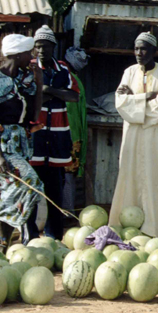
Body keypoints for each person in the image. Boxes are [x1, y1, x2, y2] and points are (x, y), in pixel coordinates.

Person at [0, 34, 45, 249]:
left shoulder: (24, 78)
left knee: (12, 188)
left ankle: (1, 242)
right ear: (18, 55)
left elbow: (33, 114)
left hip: (20, 141)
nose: (31, 58)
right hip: (1, 144)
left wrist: (39, 84)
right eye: (28, 54)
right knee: (28, 181)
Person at [108, 32, 158, 237]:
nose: (139, 53)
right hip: (133, 133)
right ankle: (127, 227)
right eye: (136, 48)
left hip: (157, 134)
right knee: (130, 175)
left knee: (155, 175)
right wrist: (147, 96)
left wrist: (135, 101)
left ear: (154, 51)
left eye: (144, 48)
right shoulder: (129, 72)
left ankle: (155, 229)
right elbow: (120, 103)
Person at [28, 25, 80, 241]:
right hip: (36, 137)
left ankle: (54, 237)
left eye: (46, 46)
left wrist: (47, 91)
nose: (41, 51)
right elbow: (30, 97)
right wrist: (56, 95)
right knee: (30, 190)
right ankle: (29, 237)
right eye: (38, 47)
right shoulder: (30, 68)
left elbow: (74, 96)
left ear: (53, 47)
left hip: (58, 136)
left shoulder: (63, 70)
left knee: (55, 190)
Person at [63, 47, 89, 220]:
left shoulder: (62, 77)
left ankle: (65, 213)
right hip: (72, 137)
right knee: (67, 176)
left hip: (62, 134)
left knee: (62, 176)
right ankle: (67, 213)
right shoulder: (74, 81)